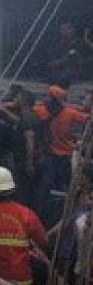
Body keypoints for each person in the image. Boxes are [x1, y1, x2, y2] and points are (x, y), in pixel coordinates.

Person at [32, 84, 91, 226]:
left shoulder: (41, 110)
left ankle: (44, 217)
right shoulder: (70, 113)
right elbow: (88, 119)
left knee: (46, 190)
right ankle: (64, 216)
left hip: (49, 156)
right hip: (65, 157)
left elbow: (27, 108)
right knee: (67, 189)